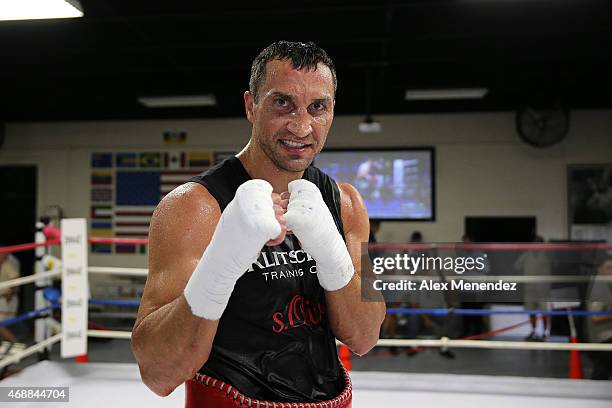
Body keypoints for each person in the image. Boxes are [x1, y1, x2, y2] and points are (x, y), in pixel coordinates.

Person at [131, 41, 386, 407]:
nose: (301, 126)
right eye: (282, 102)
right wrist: (222, 262)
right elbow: (158, 372)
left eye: (318, 107)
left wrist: (332, 254)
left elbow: (365, 336)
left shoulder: (345, 204)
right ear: (251, 105)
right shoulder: (195, 208)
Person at [514, 235, 551, 341]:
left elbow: (549, 273)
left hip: (542, 290)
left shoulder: (545, 256)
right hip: (529, 289)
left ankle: (545, 332)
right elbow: (516, 266)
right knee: (531, 311)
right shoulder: (526, 255)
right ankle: (533, 331)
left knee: (544, 312)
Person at [0, 250, 20, 342]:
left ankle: (17, 346)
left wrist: (10, 295)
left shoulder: (8, 264)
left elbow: (16, 279)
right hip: (4, 299)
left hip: (6, 299)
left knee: (1, 325)